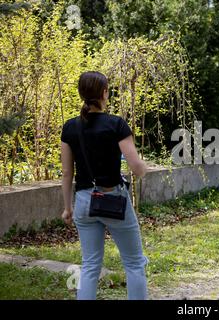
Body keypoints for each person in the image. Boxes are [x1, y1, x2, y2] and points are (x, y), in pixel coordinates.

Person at [60, 71, 149, 299]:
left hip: (82, 203)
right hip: (112, 200)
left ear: (82, 94)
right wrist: (144, 166)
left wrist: (67, 207)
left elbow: (67, 173)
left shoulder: (70, 128)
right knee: (134, 263)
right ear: (104, 93)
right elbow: (136, 167)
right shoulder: (116, 124)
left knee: (90, 265)